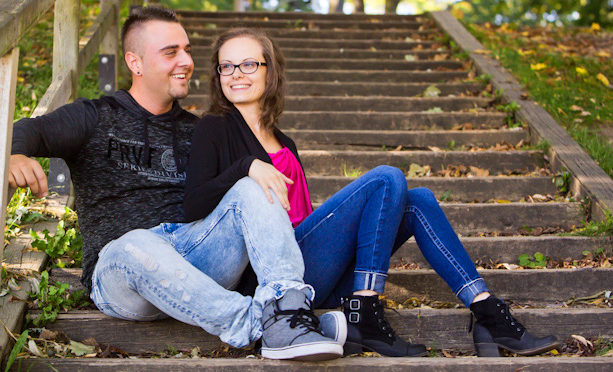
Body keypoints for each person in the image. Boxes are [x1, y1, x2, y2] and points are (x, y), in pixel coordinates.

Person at [183, 27, 563, 358]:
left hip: (312, 268)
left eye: (248, 64)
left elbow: (303, 217)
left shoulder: (285, 142)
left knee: (419, 202)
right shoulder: (213, 128)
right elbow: (193, 206)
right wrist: (244, 167)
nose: (236, 74)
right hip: (272, 279)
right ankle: (364, 306)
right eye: (226, 66)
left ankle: (487, 312)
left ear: (271, 70)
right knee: (386, 178)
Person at [7, 6, 346, 361]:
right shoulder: (95, 116)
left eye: (187, 50)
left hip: (195, 257)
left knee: (251, 183)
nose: (186, 60)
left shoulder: (200, 129)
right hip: (122, 274)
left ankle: (288, 309)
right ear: (135, 63)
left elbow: (240, 207)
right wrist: (13, 156)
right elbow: (28, 129)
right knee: (132, 245)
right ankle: (261, 326)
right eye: (171, 52)